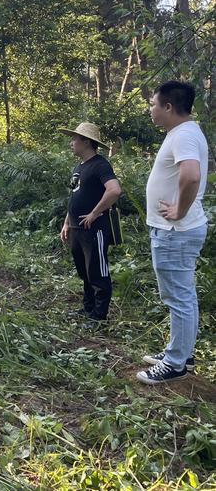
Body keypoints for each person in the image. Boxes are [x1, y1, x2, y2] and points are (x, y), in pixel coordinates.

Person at [136, 81, 208, 385]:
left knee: (178, 297)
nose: (151, 110)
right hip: (175, 231)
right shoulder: (183, 133)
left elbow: (191, 175)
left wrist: (179, 210)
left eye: (154, 104)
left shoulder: (185, 135)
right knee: (182, 296)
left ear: (168, 107)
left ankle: (176, 363)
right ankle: (181, 353)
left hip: (174, 231)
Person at [57, 122, 121, 323]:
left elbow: (114, 190)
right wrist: (67, 223)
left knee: (97, 272)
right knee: (84, 271)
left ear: (87, 141)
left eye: (75, 138)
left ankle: (99, 317)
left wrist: (94, 213)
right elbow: (74, 197)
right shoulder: (79, 167)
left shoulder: (100, 165)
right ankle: (88, 309)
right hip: (77, 228)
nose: (71, 142)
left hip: (95, 229)